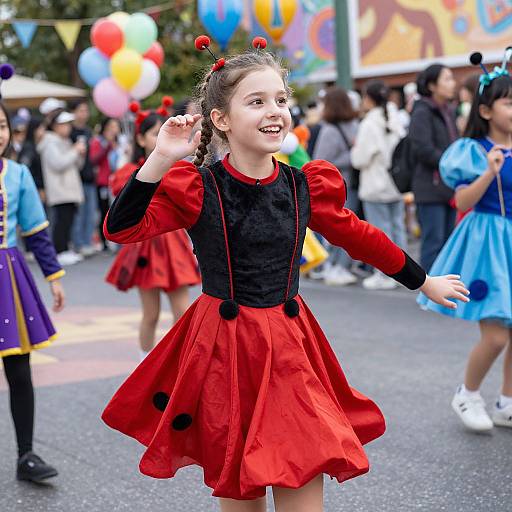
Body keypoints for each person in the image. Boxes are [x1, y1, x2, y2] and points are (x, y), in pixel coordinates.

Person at [101, 37, 468, 511]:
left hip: (290, 347)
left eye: (280, 99)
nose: (274, 111)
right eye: (256, 101)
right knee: (240, 487)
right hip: (225, 350)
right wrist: (161, 156)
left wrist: (424, 281)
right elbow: (121, 227)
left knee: (301, 466)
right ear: (221, 120)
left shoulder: (303, 185)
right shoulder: (200, 188)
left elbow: (360, 237)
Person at [418, 55, 512, 433]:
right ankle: (468, 393)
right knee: (496, 334)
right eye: (509, 101)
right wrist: (489, 172)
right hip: (488, 242)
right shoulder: (472, 151)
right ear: (486, 110)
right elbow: (462, 202)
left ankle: (506, 400)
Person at [0, 100, 65, 482]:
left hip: (8, 277)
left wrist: (54, 276)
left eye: (3, 125)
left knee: (19, 372)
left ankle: (26, 456)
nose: (0, 134)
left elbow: (36, 232)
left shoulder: (18, 173)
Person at [105, 107, 201, 361]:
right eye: (153, 133)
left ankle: (183, 365)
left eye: (162, 132)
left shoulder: (178, 167)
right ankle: (143, 364)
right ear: (140, 139)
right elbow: (121, 198)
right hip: (143, 243)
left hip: (173, 243)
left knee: (182, 311)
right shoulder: (132, 171)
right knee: (151, 314)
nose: (159, 137)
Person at [351, 80, 407, 290]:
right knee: (397, 228)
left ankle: (385, 274)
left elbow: (359, 159)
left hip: (375, 184)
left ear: (369, 99)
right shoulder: (396, 118)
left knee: (380, 233)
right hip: (396, 183)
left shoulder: (368, 124)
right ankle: (403, 272)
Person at [408, 63, 459, 271]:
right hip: (430, 188)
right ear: (431, 85)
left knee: (448, 243)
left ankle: (444, 291)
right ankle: (429, 293)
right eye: (446, 79)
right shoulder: (422, 112)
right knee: (433, 243)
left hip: (447, 185)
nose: (452, 83)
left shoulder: (447, 111)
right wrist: (452, 162)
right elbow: (422, 149)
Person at [312, 86, 360, 286]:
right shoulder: (355, 126)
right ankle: (338, 266)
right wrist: (354, 157)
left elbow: (319, 160)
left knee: (341, 228)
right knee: (347, 228)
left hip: (339, 186)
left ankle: (335, 266)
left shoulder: (329, 131)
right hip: (351, 185)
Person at [38, 110, 86, 266]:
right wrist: (74, 151)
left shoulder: (65, 141)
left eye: (68, 124)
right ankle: (59, 251)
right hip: (60, 190)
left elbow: (77, 165)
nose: (67, 127)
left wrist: (80, 154)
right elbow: (58, 164)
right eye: (64, 124)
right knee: (61, 221)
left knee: (68, 220)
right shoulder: (49, 142)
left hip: (70, 190)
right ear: (55, 126)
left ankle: (65, 248)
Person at [69, 98, 97, 256]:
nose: (84, 114)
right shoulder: (69, 131)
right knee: (78, 214)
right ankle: (78, 244)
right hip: (75, 178)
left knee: (90, 213)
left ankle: (87, 243)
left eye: (86, 110)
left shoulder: (87, 131)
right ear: (73, 112)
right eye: (81, 110)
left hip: (89, 176)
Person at [89, 117, 121, 251]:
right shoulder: (98, 142)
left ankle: (118, 239)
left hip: (119, 180)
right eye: (111, 127)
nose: (114, 130)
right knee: (103, 211)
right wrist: (107, 146)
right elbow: (94, 160)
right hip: (103, 182)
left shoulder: (121, 142)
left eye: (116, 127)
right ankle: (104, 241)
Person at [18, 116, 46, 204]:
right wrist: (39, 188)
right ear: (35, 130)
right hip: (32, 190)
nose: (44, 131)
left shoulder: (34, 146)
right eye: (41, 128)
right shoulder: (29, 148)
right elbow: (25, 169)